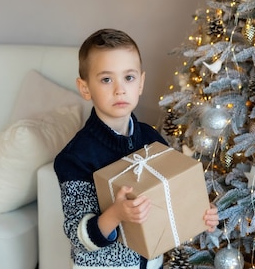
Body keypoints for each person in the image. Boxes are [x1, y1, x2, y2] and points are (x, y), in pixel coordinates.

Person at [54, 28, 219, 269]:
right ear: (85, 88)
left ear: (141, 83)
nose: (119, 89)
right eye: (106, 79)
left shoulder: (151, 138)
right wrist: (115, 215)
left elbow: (171, 196)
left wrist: (200, 213)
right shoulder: (76, 156)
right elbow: (78, 236)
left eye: (128, 78)